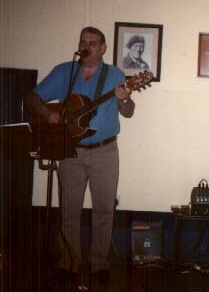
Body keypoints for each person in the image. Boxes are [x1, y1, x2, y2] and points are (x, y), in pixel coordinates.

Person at [29, 27, 134, 287]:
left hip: (105, 151)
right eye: (83, 42)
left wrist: (124, 99)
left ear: (103, 48)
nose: (87, 46)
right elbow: (32, 97)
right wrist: (47, 115)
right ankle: (69, 263)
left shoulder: (115, 75)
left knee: (103, 210)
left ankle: (99, 265)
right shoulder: (66, 71)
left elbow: (129, 112)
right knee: (69, 210)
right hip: (69, 151)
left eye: (93, 42)